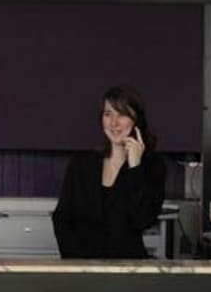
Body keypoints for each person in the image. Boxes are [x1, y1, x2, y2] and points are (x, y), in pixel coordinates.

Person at [52, 85, 167, 259]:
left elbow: (142, 220)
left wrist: (135, 168)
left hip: (129, 268)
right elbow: (61, 219)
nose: (114, 123)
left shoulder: (152, 165)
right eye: (108, 114)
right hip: (83, 268)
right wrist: (78, 263)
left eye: (122, 114)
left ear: (136, 120)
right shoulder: (81, 165)